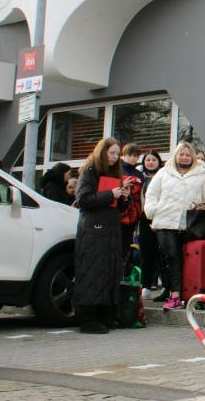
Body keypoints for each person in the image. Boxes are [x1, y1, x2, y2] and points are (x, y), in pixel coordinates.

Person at [144, 142, 205, 311]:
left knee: (188, 260)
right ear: (176, 155)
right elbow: (151, 194)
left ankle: (188, 295)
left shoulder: (201, 174)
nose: (185, 157)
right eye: (182, 154)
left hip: (190, 223)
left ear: (193, 156)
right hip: (165, 221)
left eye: (188, 154)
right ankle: (174, 295)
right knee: (171, 257)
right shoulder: (163, 172)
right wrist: (152, 211)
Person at [73, 138, 129, 334]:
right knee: (92, 271)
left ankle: (105, 315)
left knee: (108, 270)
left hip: (110, 228)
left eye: (117, 154)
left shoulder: (114, 173)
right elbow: (82, 199)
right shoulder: (89, 171)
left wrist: (123, 198)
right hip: (93, 229)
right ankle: (88, 318)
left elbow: (118, 207)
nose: (115, 157)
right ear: (102, 152)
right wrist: (110, 195)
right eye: (112, 153)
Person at [138, 150, 164, 300]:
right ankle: (146, 285)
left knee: (162, 254)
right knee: (145, 254)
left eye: (153, 159)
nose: (150, 162)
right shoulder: (140, 178)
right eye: (147, 160)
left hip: (161, 219)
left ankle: (165, 286)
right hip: (144, 219)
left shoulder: (164, 176)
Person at [119, 144, 145, 264]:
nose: (133, 158)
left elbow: (142, 195)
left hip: (134, 215)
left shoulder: (139, 174)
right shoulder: (116, 170)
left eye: (136, 156)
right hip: (118, 213)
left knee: (126, 246)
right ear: (123, 155)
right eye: (130, 155)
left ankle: (122, 274)